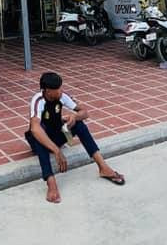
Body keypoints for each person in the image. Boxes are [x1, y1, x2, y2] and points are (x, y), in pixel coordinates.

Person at [25, 71, 124, 204]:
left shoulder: (62, 96)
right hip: (41, 141)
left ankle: (103, 167)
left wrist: (74, 116)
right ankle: (51, 182)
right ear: (47, 91)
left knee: (79, 124)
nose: (61, 91)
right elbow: (35, 128)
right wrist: (56, 150)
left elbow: (85, 112)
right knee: (38, 133)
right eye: (58, 89)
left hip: (56, 135)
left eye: (61, 87)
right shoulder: (38, 100)